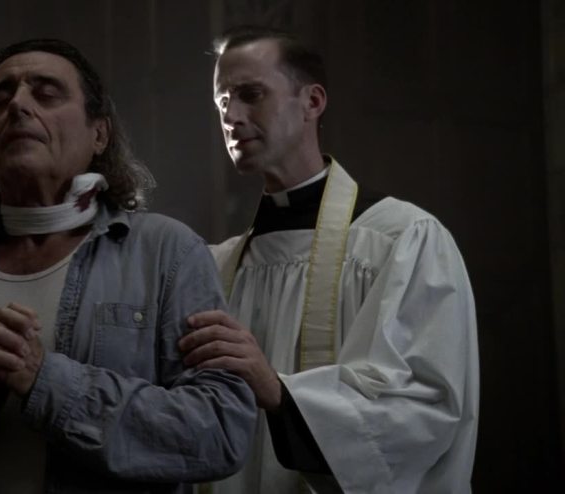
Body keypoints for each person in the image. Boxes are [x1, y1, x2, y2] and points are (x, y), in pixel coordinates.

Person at [0, 38, 256, 494]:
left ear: (99, 134)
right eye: (0, 98)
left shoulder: (167, 254)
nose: (18, 105)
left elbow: (219, 433)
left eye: (46, 93)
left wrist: (46, 380)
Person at [179, 26, 479, 493]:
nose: (232, 116)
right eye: (222, 102)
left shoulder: (402, 239)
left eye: (250, 95)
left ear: (312, 102)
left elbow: (424, 407)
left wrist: (280, 393)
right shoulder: (217, 265)